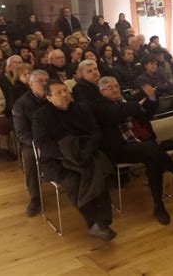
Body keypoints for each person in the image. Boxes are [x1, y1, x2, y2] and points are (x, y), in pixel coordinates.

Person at [32, 80, 116, 242]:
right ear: (49, 98)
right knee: (74, 181)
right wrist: (69, 154)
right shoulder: (40, 115)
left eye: (66, 91)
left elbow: (96, 131)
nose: (65, 95)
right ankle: (93, 223)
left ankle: (102, 222)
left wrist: (86, 150)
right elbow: (43, 143)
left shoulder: (82, 108)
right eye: (59, 93)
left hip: (86, 153)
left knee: (101, 173)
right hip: (57, 159)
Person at [95, 76, 173, 225]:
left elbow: (145, 116)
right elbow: (118, 113)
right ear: (102, 90)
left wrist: (150, 97)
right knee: (152, 148)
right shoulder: (99, 105)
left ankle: (158, 205)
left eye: (117, 86)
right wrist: (139, 101)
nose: (116, 89)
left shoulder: (123, 101)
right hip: (118, 150)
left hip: (137, 144)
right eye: (111, 87)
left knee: (153, 158)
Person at [12, 70, 49, 216]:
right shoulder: (21, 104)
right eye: (40, 81)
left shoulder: (53, 97)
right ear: (31, 84)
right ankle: (35, 198)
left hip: (54, 137)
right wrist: (39, 143)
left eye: (47, 80)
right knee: (30, 157)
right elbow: (22, 133)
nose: (45, 84)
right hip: (33, 140)